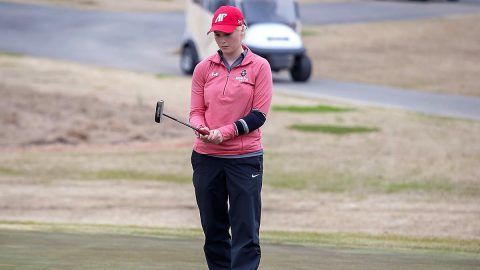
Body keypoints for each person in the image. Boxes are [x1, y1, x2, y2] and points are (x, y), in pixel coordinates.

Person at [189, 5, 273, 270]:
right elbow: (195, 111)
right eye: (217, 35)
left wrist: (222, 133)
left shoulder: (260, 67)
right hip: (206, 158)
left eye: (227, 34)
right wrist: (201, 128)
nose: (223, 40)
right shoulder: (203, 68)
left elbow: (258, 115)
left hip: (243, 158)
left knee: (245, 232)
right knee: (213, 230)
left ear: (242, 30)